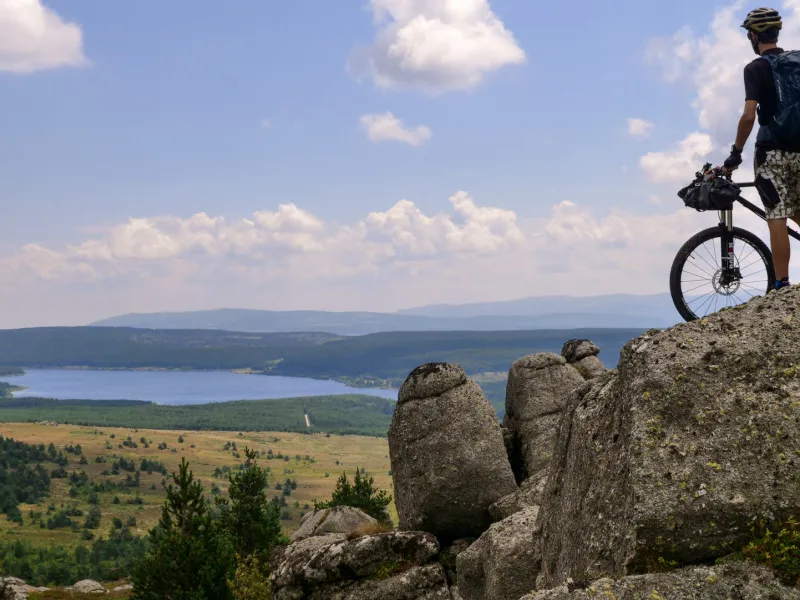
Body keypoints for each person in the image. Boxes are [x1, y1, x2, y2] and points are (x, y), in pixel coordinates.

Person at [724, 7, 800, 290]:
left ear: (754, 36)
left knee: (777, 214)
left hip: (771, 152)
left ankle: (782, 284)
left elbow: (748, 116)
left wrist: (736, 152)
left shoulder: (755, 68)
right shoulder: (798, 62)